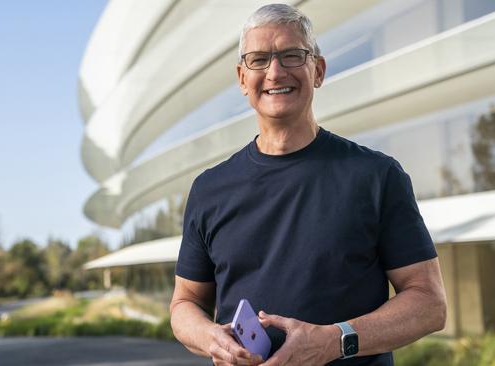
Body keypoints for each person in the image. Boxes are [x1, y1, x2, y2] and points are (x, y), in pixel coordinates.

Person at [170, 4, 446, 365]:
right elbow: (185, 301)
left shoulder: (376, 176)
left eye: (291, 56)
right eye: (258, 60)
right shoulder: (209, 189)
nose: (275, 71)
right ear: (241, 78)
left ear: (318, 70)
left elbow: (429, 303)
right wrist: (210, 338)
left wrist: (334, 340)